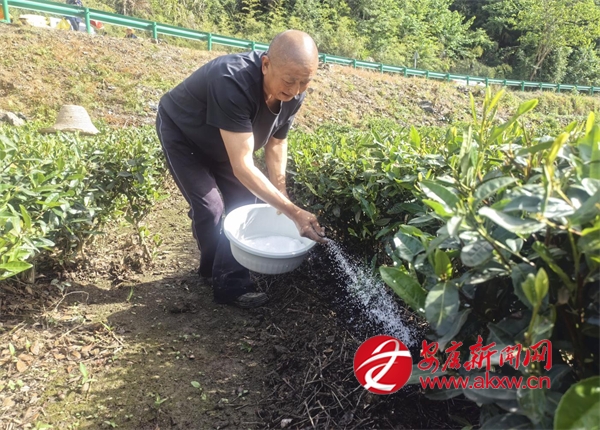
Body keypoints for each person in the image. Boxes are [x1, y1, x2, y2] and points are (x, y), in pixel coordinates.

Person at [156, 30, 326, 308]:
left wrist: (281, 195)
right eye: (290, 81)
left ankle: (229, 284)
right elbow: (243, 166)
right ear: (266, 64)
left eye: (305, 82)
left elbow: (276, 143)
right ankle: (211, 271)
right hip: (185, 136)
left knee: (245, 204)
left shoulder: (294, 93)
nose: (296, 90)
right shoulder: (231, 80)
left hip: (228, 142)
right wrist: (294, 212)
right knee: (210, 209)